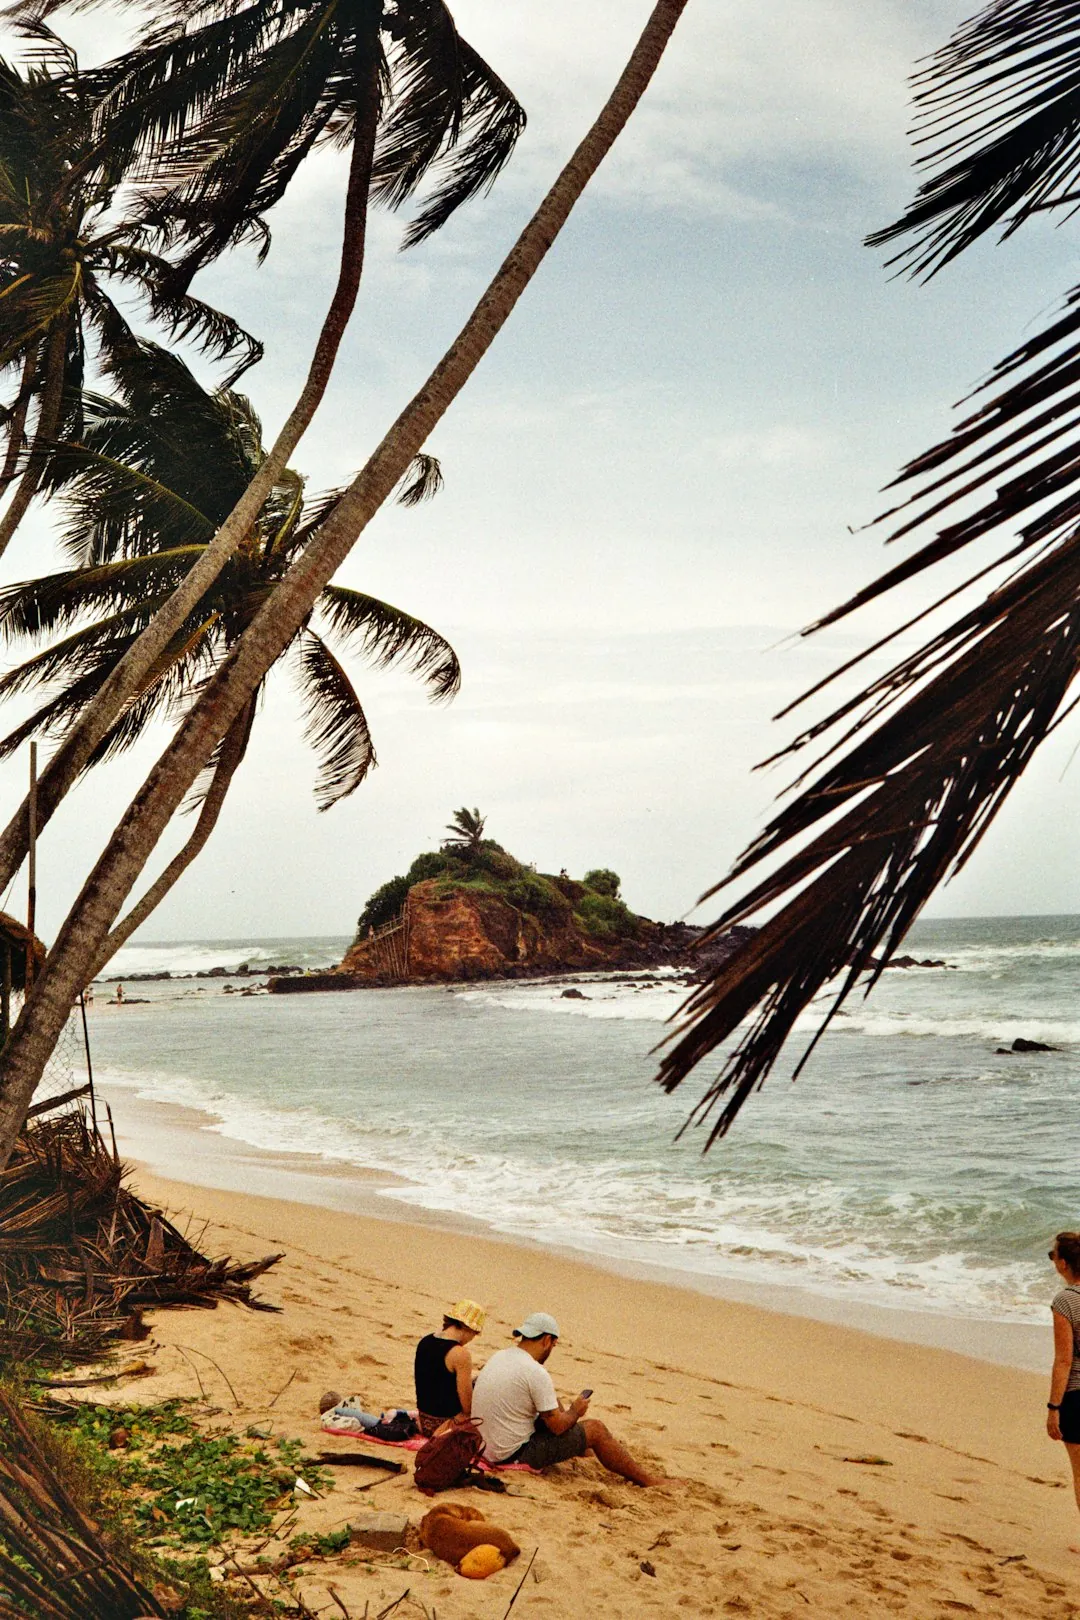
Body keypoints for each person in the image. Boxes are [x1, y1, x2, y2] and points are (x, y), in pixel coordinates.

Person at [471, 1311, 667, 1486]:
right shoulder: (535, 1371)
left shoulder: (500, 1356)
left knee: (551, 1401)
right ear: (547, 1340)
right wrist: (576, 1411)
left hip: (483, 1446)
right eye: (553, 1345)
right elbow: (557, 1426)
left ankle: (585, 1451)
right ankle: (648, 1481)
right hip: (509, 1455)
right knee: (596, 1429)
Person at [414, 1299, 486, 1438]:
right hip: (445, 1424)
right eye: (475, 1333)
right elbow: (467, 1406)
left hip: (424, 1419)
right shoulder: (460, 1354)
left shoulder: (426, 1340)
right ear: (467, 1328)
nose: (472, 1338)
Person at [1048, 1231, 1080, 1540]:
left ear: (1064, 1264)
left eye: (1053, 1255)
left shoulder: (1066, 1301)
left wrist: (1053, 1408)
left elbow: (1064, 1361)